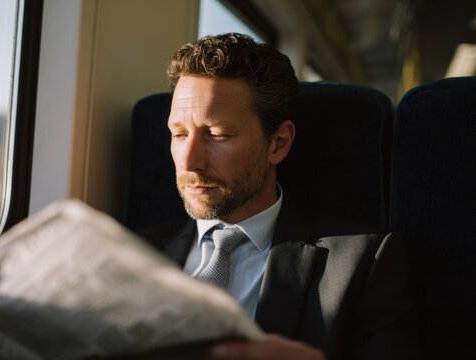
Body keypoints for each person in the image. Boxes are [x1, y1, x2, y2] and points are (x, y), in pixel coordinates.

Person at [147, 33, 419, 360]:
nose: (190, 161)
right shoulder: (134, 252)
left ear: (278, 143)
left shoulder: (362, 264)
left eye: (217, 135)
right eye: (179, 134)